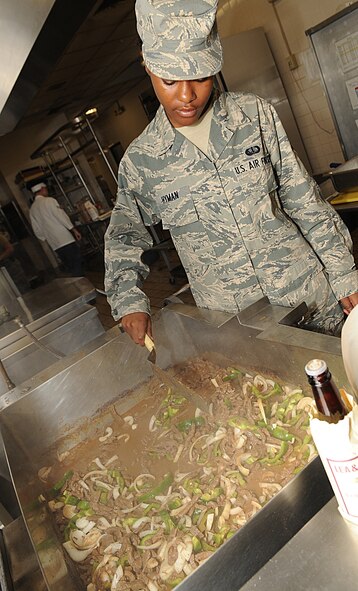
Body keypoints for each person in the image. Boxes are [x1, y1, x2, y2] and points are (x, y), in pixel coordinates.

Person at [105, 0, 358, 345]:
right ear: (147, 65)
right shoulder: (142, 161)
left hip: (312, 298)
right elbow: (124, 237)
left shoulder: (253, 115)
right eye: (169, 80)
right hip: (242, 327)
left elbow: (305, 202)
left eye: (200, 77)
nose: (186, 96)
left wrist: (345, 273)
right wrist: (129, 301)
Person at [29, 182, 84, 277]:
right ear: (42, 189)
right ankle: (85, 286)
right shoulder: (49, 201)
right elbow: (61, 216)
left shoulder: (32, 209)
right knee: (77, 263)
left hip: (54, 243)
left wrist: (45, 238)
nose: (47, 190)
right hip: (64, 238)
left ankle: (78, 285)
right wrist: (74, 229)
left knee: (69, 266)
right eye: (45, 188)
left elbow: (36, 229)